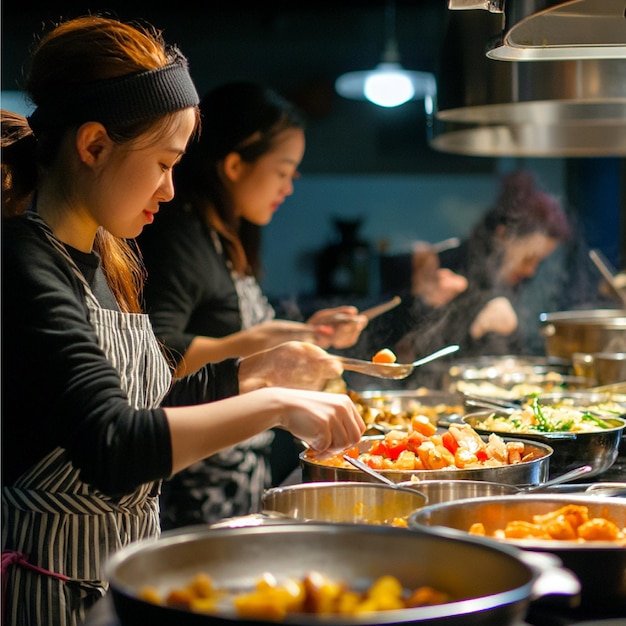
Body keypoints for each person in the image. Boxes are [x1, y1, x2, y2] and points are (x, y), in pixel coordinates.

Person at [1, 16, 365, 626]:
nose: (170, 191)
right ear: (92, 146)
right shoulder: (23, 263)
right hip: (49, 595)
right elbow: (114, 445)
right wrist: (273, 404)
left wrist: (251, 372)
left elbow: (149, 401)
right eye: (163, 163)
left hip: (118, 578)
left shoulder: (104, 258)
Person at [137, 81, 369, 527]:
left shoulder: (227, 236)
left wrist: (304, 332)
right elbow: (158, 353)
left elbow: (231, 329)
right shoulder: (180, 238)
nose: (290, 186)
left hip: (238, 479)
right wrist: (258, 347)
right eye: (283, 171)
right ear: (235, 164)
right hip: (194, 490)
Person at [391, 170, 572, 386]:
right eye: (528, 259)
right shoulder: (448, 266)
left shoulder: (507, 278)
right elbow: (398, 345)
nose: (531, 271)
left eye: (538, 262)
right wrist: (423, 302)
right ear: (502, 235)